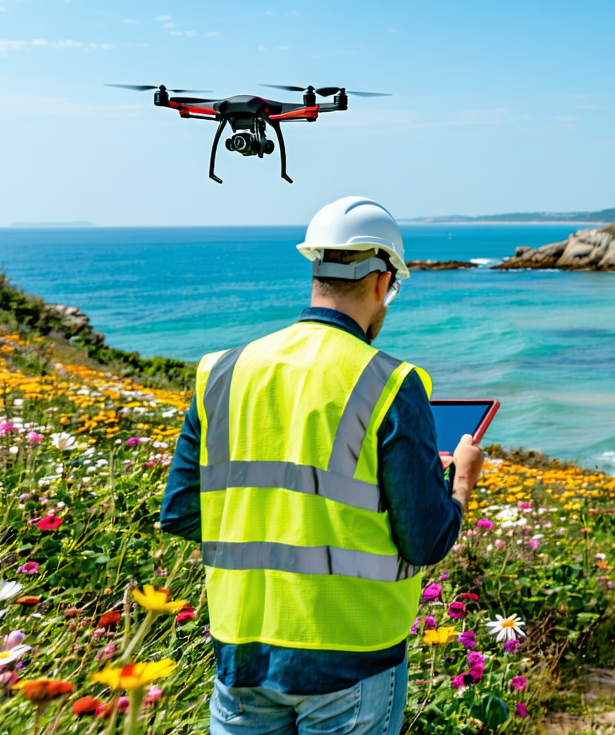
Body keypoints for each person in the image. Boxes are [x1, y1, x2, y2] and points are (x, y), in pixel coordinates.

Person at [160, 197, 483, 734]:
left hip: (241, 653)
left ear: (317, 271)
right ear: (382, 282)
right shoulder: (391, 382)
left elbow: (182, 513)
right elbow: (426, 541)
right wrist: (463, 479)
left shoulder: (220, 372)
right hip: (352, 658)